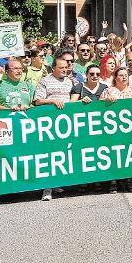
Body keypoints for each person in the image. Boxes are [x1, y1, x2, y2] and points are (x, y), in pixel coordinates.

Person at [33, 58, 73, 201]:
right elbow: (37, 101)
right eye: (61, 67)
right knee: (49, 155)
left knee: (61, 155)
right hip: (49, 124)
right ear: (53, 68)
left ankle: (56, 183)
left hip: (65, 124)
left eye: (66, 67)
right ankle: (47, 189)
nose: (64, 69)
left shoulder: (69, 81)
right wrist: (52, 101)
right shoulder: (45, 81)